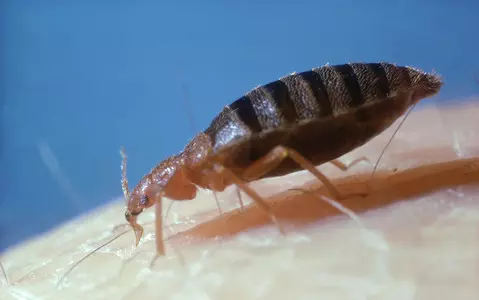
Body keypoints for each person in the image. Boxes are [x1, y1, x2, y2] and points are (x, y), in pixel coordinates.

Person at [1, 101, 478, 299]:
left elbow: (286, 150)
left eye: (147, 197)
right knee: (286, 150)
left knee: (287, 149)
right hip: (262, 122)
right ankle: (341, 175)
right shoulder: (195, 163)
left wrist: (273, 216)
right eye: (144, 200)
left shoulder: (201, 162)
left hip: (327, 104)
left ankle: (336, 183)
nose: (150, 202)